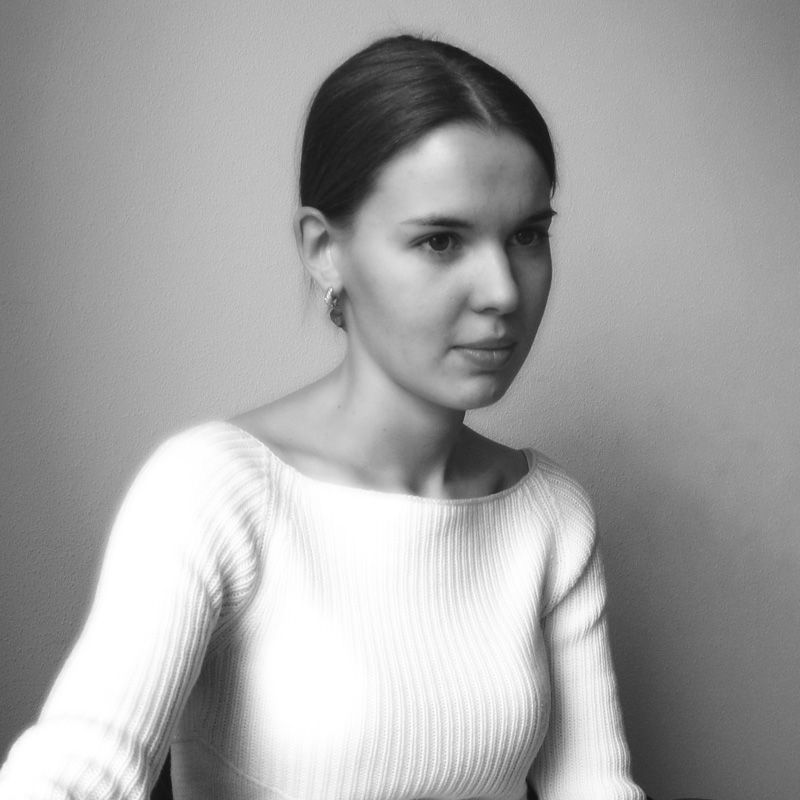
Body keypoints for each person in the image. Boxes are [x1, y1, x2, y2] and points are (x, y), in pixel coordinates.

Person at [0, 34, 646, 800]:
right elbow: (79, 767)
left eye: (528, 236)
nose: (503, 290)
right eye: (441, 240)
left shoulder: (551, 515)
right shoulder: (213, 492)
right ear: (324, 251)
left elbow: (596, 789)